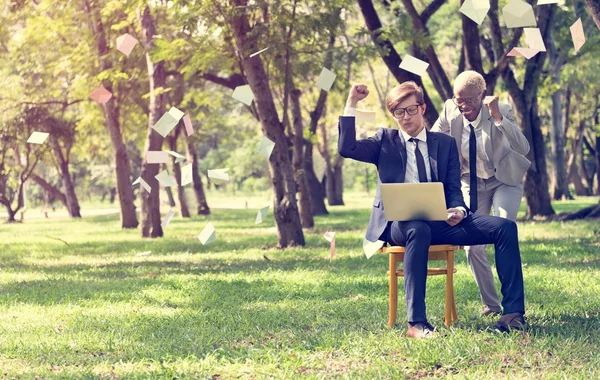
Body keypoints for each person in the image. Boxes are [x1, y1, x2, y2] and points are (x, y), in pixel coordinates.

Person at [338, 82, 526, 338]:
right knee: (417, 228)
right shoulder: (385, 141)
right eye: (399, 112)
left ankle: (513, 314)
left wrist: (458, 209)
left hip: (441, 222)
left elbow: (452, 186)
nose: (406, 117)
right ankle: (416, 324)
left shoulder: (445, 144)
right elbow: (346, 148)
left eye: (411, 109)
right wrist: (352, 103)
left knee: (504, 228)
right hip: (400, 226)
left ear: (423, 108)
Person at [431, 71, 530, 317]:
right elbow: (431, 142)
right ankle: (492, 306)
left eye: (469, 100)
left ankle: (513, 307)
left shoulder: (502, 110)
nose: (463, 105)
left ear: (482, 96)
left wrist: (498, 118)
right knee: (472, 246)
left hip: (503, 180)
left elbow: (523, 147)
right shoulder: (449, 111)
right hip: (470, 182)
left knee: (504, 228)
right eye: (458, 99)